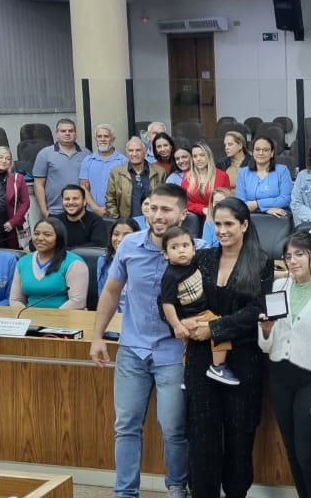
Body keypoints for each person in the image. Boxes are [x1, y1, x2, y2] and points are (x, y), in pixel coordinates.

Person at [88, 184, 197, 498]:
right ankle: (125, 492)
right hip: (133, 349)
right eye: (153, 208)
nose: (158, 216)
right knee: (126, 426)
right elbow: (110, 292)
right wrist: (97, 336)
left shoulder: (196, 249)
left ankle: (177, 487)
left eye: (166, 210)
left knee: (174, 428)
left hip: (175, 354)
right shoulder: (130, 245)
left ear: (183, 214)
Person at [177, 197, 273, 498]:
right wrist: (190, 324)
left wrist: (215, 328)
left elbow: (257, 309)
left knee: (239, 435)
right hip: (200, 357)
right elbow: (181, 295)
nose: (222, 230)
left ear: (244, 225)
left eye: (228, 223)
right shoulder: (202, 258)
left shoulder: (261, 261)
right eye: (217, 224)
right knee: (201, 435)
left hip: (244, 360)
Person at [258, 231, 311, 498]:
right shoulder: (279, 288)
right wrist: (266, 331)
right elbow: (267, 345)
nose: (293, 261)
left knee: (307, 453)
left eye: (299, 254)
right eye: (288, 256)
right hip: (280, 376)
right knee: (291, 450)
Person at [158, 225, 238, 384]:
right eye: (174, 247)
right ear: (166, 254)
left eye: (185, 246)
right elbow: (167, 303)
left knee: (189, 349)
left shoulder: (195, 263)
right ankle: (218, 366)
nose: (181, 250)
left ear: (194, 250)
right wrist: (177, 325)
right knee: (220, 329)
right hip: (194, 315)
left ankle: (187, 378)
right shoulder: (170, 276)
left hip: (199, 311)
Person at [9, 218, 88, 310]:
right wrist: (25, 316)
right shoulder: (23, 261)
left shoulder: (74, 263)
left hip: (64, 319)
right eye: (36, 234)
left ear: (59, 237)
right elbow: (15, 299)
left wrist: (49, 319)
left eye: (47, 235)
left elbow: (77, 301)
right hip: (30, 319)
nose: (40, 238)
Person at [33, 118, 90, 216]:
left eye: (71, 131)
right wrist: (44, 211)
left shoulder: (86, 154)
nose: (67, 133)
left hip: (81, 210)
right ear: (57, 133)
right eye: (63, 131)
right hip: (55, 211)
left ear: (75, 133)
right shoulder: (45, 154)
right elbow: (38, 185)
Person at [107, 137, 168, 220]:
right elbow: (110, 200)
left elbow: (164, 198)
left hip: (153, 222)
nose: (134, 154)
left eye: (138, 150)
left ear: (145, 152)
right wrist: (118, 222)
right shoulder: (116, 172)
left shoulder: (159, 172)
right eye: (131, 150)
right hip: (127, 224)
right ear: (127, 153)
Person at [236, 136, 293, 218]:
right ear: (252, 152)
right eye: (257, 149)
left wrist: (257, 204)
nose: (261, 153)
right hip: (251, 218)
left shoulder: (282, 171)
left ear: (272, 153)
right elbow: (241, 204)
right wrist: (265, 209)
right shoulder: (243, 173)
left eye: (265, 150)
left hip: (279, 219)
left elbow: (285, 199)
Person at [79, 124, 127, 217]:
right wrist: (96, 208)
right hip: (92, 212)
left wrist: (112, 208)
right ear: (95, 139)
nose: (102, 139)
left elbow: (126, 189)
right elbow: (83, 187)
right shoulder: (88, 160)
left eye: (106, 136)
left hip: (116, 212)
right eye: (99, 136)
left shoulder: (123, 161)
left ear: (113, 139)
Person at [0, 146, 31, 249]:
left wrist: (13, 222)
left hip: (10, 226)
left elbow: (25, 202)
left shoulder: (18, 179)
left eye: (8, 158)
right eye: (0, 157)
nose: (4, 161)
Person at [50, 184, 108, 248]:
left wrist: (70, 251)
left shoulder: (96, 221)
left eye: (75, 199)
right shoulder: (55, 221)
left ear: (84, 202)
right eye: (67, 199)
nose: (71, 202)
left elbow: (98, 245)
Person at [183, 142, 232, 217]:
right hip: (194, 215)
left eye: (202, 155)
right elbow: (184, 201)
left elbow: (227, 200)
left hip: (216, 215)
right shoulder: (187, 176)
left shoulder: (222, 176)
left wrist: (211, 210)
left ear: (208, 156)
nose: (198, 159)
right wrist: (202, 209)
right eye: (195, 156)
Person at [98, 218, 139, 295]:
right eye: (116, 234)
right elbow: (102, 294)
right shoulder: (103, 260)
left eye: (127, 235)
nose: (120, 239)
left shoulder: (143, 261)